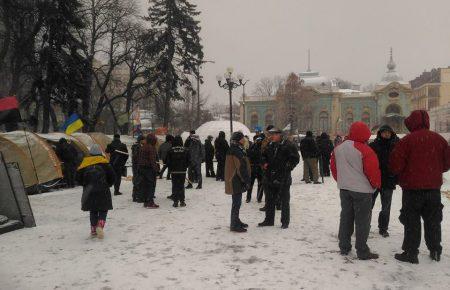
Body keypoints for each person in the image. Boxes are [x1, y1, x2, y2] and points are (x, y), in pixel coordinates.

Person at [390, 110, 450, 264]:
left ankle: (411, 253)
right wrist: (433, 171)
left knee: (412, 222)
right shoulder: (440, 140)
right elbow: (446, 164)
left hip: (412, 190)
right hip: (433, 190)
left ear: (411, 123)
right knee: (433, 221)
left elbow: (395, 165)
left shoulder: (406, 141)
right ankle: (435, 250)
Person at [331, 121, 381, 260]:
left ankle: (344, 246)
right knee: (362, 221)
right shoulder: (365, 150)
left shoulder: (338, 148)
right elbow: (372, 171)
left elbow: (334, 169)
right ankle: (362, 250)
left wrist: (342, 181)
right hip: (362, 190)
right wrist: (375, 185)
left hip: (344, 188)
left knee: (346, 217)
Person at [258, 128, 300, 229]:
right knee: (269, 199)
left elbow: (295, 158)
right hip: (270, 176)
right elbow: (263, 156)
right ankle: (269, 220)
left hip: (283, 177)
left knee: (284, 200)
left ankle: (285, 222)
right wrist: (264, 163)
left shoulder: (288, 145)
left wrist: (287, 167)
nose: (272, 136)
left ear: (280, 135)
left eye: (274, 134)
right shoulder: (270, 145)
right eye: (271, 134)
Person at [77, 144, 115, 239]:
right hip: (103, 190)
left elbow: (77, 178)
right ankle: (100, 225)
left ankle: (93, 229)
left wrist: (85, 185)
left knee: (93, 209)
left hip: (89, 191)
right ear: (100, 153)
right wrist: (108, 184)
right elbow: (113, 177)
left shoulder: (85, 163)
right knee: (103, 209)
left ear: (90, 154)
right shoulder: (105, 163)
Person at [369, 125, 399, 238]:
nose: (386, 134)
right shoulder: (373, 146)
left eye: (388, 132)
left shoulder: (395, 146)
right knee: (369, 205)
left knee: (386, 207)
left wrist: (395, 177)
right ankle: (366, 226)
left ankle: (383, 228)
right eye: (384, 132)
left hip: (388, 180)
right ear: (380, 133)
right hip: (374, 180)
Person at [225, 131, 251, 233]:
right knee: (236, 203)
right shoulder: (236, 151)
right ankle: (234, 224)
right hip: (235, 180)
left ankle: (236, 220)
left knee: (236, 203)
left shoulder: (235, 149)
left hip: (234, 179)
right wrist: (246, 180)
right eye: (242, 138)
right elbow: (241, 168)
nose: (244, 140)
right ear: (239, 140)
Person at [166, 136, 190, 207]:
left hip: (174, 171)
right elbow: (189, 160)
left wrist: (171, 167)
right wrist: (185, 166)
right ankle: (182, 201)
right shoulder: (186, 150)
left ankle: (175, 201)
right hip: (182, 171)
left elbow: (167, 161)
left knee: (175, 185)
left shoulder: (170, 150)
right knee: (181, 186)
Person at [137, 134, 160, 208]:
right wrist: (156, 170)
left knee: (145, 185)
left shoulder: (143, 147)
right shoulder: (151, 148)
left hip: (142, 168)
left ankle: (146, 202)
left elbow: (139, 158)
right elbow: (152, 160)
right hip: (149, 169)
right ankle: (150, 202)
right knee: (151, 186)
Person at [246, 135, 263, 203]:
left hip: (258, 167)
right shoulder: (253, 147)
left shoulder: (261, 147)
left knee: (259, 184)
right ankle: (250, 198)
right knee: (252, 184)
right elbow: (249, 155)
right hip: (254, 167)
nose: (258, 141)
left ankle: (258, 198)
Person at [131, 135, 144, 202]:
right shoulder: (138, 147)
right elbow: (137, 157)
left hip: (135, 166)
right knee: (139, 181)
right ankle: (138, 196)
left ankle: (134, 195)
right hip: (138, 166)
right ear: (141, 140)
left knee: (136, 180)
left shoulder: (135, 146)